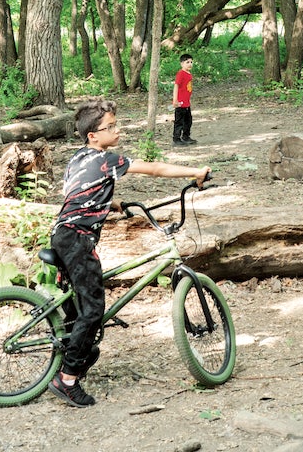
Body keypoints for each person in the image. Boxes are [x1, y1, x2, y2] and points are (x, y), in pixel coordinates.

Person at [48, 96, 210, 408]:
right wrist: (195, 172)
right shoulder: (108, 160)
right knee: (94, 309)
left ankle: (77, 351)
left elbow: (76, 193)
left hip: (62, 234)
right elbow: (155, 169)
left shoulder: (77, 159)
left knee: (81, 307)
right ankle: (66, 380)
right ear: (93, 135)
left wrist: (111, 204)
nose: (118, 131)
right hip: (78, 240)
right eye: (111, 127)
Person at [172, 52, 195, 146]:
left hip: (186, 103)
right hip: (180, 103)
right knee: (179, 121)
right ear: (182, 64)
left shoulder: (189, 74)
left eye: (191, 62)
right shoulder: (181, 74)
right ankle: (176, 138)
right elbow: (176, 86)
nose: (190, 64)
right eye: (187, 62)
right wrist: (175, 100)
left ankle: (186, 136)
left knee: (188, 121)